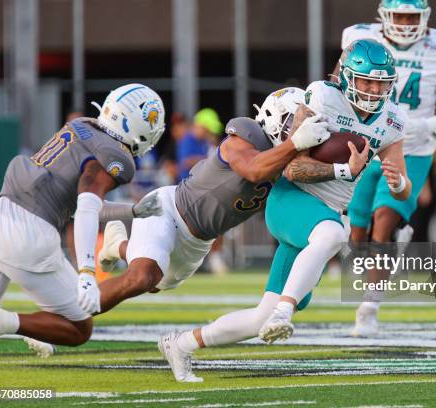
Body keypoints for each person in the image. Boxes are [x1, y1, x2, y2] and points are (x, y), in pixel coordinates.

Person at [160, 39, 411, 384]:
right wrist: (344, 172)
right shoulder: (322, 97)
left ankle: (182, 344)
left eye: (380, 83)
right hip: (292, 199)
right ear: (349, 77)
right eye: (366, 81)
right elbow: (293, 169)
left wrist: (397, 184)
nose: (373, 90)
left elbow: (403, 183)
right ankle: (284, 311)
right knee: (334, 235)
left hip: (326, 213)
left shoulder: (394, 120)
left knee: (260, 318)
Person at [90, 87, 331, 382]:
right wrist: (295, 143)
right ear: (275, 115)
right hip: (170, 209)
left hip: (199, 242)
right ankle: (65, 317)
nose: (298, 128)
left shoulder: (291, 159)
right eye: (294, 120)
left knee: (155, 282)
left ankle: (119, 245)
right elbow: (254, 170)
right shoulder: (245, 134)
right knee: (142, 277)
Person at [0, 84, 166, 373]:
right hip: (28, 236)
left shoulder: (82, 126)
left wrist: (131, 210)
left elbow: (84, 204)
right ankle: (5, 321)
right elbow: (87, 207)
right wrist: (88, 273)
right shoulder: (116, 156)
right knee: (79, 327)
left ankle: (28, 326)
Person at [337, 0, 436, 337]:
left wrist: (433, 123)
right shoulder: (360, 39)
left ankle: (369, 306)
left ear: (425, 16)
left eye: (413, 16)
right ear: (384, 15)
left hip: (413, 146)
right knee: (356, 235)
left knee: (383, 221)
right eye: (400, 16)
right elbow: (336, 86)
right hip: (368, 140)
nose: (407, 23)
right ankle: (393, 245)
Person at [176, 108, 222, 181]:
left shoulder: (204, 140)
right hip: (188, 185)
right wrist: (212, 159)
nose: (208, 133)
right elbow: (185, 162)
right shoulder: (187, 140)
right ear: (199, 125)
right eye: (207, 130)